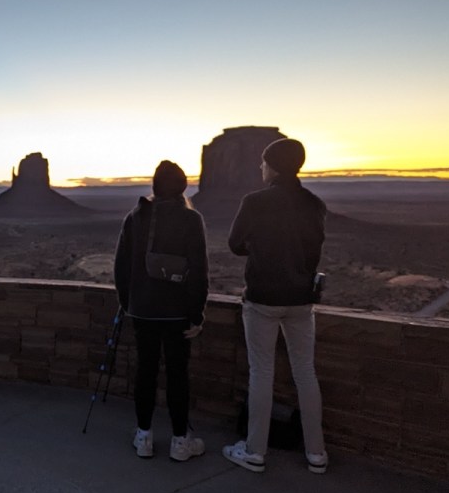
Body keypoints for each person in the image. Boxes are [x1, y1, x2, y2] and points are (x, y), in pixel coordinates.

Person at [222, 137, 329, 474]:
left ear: (274, 165)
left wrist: (259, 249)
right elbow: (315, 252)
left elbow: (234, 243)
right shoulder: (314, 204)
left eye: (264, 162)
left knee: (262, 372)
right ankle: (317, 453)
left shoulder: (254, 202)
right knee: (305, 372)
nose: (260, 167)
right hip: (301, 300)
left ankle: (255, 451)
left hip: (262, 299)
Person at [113, 161, 210, 461]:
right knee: (178, 374)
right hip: (178, 313)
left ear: (154, 185)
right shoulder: (191, 219)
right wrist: (197, 314)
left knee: (146, 371)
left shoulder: (136, 216)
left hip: (143, 311)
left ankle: (144, 437)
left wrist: (129, 303)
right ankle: (180, 442)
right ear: (182, 186)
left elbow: (120, 266)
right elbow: (199, 272)